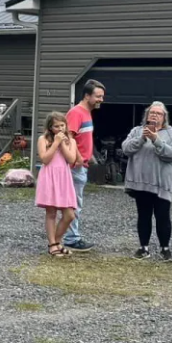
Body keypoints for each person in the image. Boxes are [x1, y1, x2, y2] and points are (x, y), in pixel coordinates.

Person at [121, 101, 172, 260]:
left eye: (159, 113)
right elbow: (126, 149)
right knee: (144, 215)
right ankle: (143, 248)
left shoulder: (171, 133)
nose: (154, 115)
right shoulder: (137, 131)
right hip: (141, 183)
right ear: (147, 115)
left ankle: (165, 249)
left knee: (163, 216)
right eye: (152, 112)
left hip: (162, 184)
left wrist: (156, 139)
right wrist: (142, 138)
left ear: (164, 117)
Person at [61, 79, 105, 252]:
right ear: (87, 96)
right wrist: (78, 158)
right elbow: (68, 137)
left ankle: (70, 236)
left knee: (75, 203)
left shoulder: (87, 113)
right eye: (98, 96)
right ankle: (71, 238)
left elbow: (81, 138)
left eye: (102, 96)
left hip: (82, 165)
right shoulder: (76, 113)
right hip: (74, 167)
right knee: (73, 203)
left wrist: (90, 156)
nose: (101, 100)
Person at [36, 111, 81, 257]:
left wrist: (62, 144)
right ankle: (52, 244)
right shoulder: (43, 139)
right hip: (49, 176)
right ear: (50, 128)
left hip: (64, 177)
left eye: (62, 125)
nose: (60, 129)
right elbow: (45, 159)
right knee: (51, 212)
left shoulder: (71, 141)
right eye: (56, 126)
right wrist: (55, 143)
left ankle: (56, 241)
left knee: (69, 214)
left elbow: (71, 159)